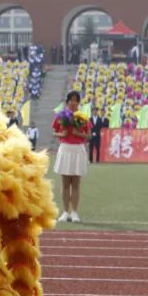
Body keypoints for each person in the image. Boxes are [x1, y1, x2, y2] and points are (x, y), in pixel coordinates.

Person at [53, 90, 90, 222]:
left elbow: (88, 135)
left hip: (78, 150)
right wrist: (61, 134)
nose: (73, 103)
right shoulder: (61, 116)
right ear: (67, 102)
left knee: (76, 183)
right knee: (65, 183)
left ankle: (74, 212)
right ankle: (65, 212)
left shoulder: (83, 117)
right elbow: (54, 132)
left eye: (76, 100)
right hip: (65, 149)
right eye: (71, 100)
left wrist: (78, 133)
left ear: (79, 103)